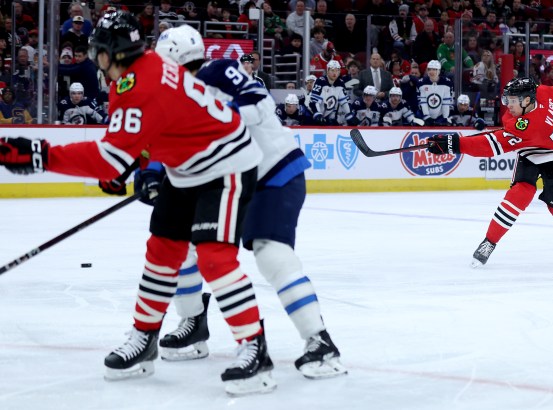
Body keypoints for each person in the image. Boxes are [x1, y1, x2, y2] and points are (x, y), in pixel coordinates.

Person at [0, 11, 274, 396]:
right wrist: (137, 164)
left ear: (114, 52)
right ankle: (144, 339)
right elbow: (152, 129)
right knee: (161, 252)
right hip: (185, 167)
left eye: (98, 50)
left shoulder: (139, 83)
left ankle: (254, 348)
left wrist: (41, 154)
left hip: (226, 165)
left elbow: (110, 156)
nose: (95, 57)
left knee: (214, 257)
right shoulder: (140, 71)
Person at [153, 24, 345, 378]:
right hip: (229, 182)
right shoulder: (174, 99)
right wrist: (152, 171)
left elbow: (258, 103)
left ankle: (319, 341)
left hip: (274, 174)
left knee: (270, 251)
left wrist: (216, 123)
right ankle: (193, 322)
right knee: (185, 244)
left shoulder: (218, 72)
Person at [427, 77, 553, 267]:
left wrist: (453, 144)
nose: (508, 105)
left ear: (527, 100)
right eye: (508, 99)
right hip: (531, 152)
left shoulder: (526, 128)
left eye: (512, 101)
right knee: (521, 193)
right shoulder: (543, 91)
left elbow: (489, 146)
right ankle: (489, 242)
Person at [309, 59, 354, 125]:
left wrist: (349, 115)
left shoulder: (340, 83)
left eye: (337, 70)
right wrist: (317, 114)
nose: (334, 73)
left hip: (327, 116)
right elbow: (314, 101)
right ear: (327, 71)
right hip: (313, 114)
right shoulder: (320, 81)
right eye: (332, 70)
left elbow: (345, 102)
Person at [417, 60, 453, 125]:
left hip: (440, 116)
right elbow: (422, 101)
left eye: (434, 69)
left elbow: (446, 102)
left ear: (439, 71)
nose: (431, 72)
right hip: (424, 116)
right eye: (429, 69)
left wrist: (445, 117)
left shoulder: (447, 83)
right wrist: (426, 116)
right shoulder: (421, 83)